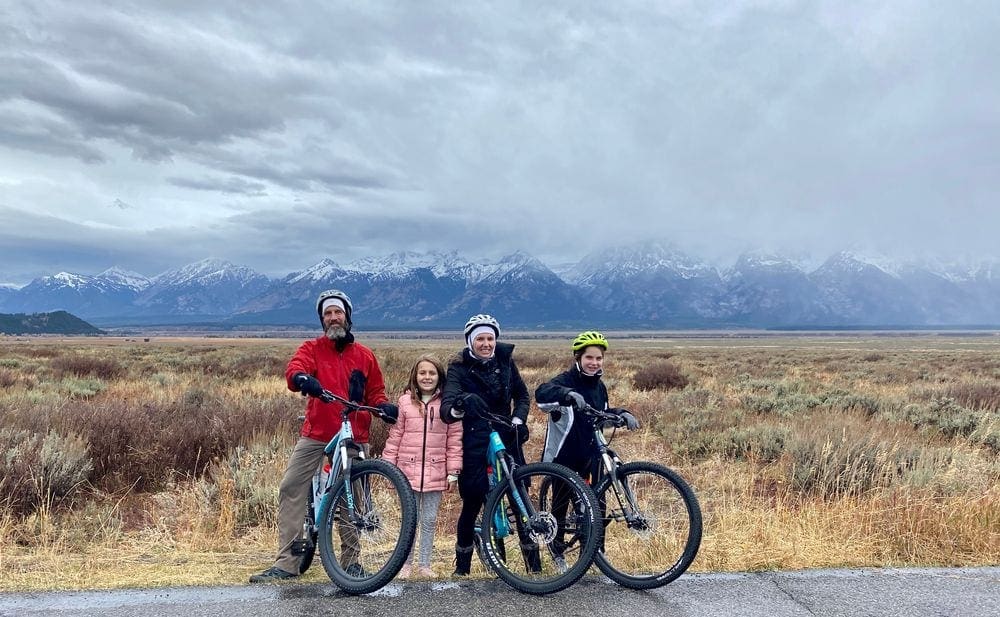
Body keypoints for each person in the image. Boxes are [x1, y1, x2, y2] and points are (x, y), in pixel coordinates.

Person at [249, 289, 399, 583]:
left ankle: (351, 563)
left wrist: (383, 407)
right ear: (322, 320)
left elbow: (376, 393)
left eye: (337, 312)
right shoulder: (312, 348)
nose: (333, 318)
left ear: (347, 316)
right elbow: (295, 369)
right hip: (317, 433)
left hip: (354, 432)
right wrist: (302, 378)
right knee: (291, 487)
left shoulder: (365, 355)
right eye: (327, 314)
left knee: (350, 497)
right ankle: (287, 565)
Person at [439, 313, 535, 576]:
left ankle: (534, 568)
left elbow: (522, 394)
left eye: (490, 338)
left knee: (520, 499)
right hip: (475, 438)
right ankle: (462, 570)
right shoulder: (458, 367)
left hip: (506, 434)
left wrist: (518, 418)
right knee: (472, 502)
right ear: (470, 341)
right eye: (480, 338)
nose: (486, 344)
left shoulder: (505, 361)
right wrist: (462, 404)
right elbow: (447, 408)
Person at [382, 354, 463, 579]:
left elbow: (454, 440)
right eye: (422, 372)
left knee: (428, 520)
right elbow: (395, 437)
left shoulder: (447, 405)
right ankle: (405, 564)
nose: (427, 377)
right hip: (406, 472)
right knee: (409, 520)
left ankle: (424, 564)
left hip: (436, 472)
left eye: (432, 373)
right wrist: (389, 469)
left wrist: (453, 472)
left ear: (440, 376)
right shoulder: (405, 403)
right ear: (415, 376)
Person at [534, 330, 640, 482]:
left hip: (593, 453)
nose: (594, 363)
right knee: (560, 505)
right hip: (565, 455)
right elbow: (541, 395)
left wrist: (621, 413)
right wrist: (567, 394)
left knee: (597, 503)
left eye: (599, 358)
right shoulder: (565, 380)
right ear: (578, 357)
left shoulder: (600, 386)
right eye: (589, 357)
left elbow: (601, 413)